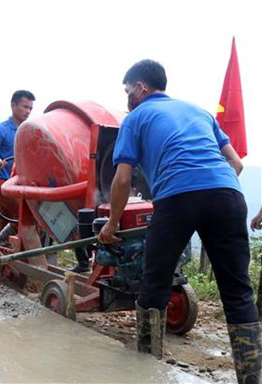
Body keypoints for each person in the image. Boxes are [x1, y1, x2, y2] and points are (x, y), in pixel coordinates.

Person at [97, 59, 260, 382]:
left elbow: (122, 178)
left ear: (141, 88)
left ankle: (146, 373)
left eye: (128, 91)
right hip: (227, 195)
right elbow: (236, 164)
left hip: (176, 198)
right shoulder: (200, 112)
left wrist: (112, 224)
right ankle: (251, 377)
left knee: (154, 285)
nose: (128, 97)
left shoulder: (135, 118)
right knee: (238, 292)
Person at [0, 90, 35, 229]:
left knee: (7, 218)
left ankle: (0, 248)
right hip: (2, 183)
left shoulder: (29, 132)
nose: (28, 111)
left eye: (30, 108)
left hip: (20, 184)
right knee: (27, 217)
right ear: (13, 105)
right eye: (25, 107)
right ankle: (30, 250)